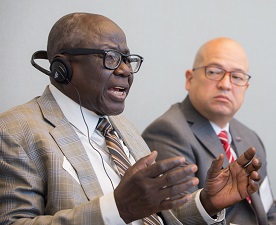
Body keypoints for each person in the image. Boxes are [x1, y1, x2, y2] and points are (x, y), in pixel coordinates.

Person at [0, 14, 261, 225]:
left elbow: (159, 217)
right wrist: (117, 209)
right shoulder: (15, 130)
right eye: (110, 57)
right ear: (62, 68)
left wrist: (206, 203)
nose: (125, 70)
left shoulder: (123, 128)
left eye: (127, 59)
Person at [142, 37, 276, 225]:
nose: (226, 84)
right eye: (214, 72)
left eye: (237, 77)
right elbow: (181, 218)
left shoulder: (249, 137)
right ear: (190, 79)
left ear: (246, 87)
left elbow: (269, 211)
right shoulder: (167, 132)